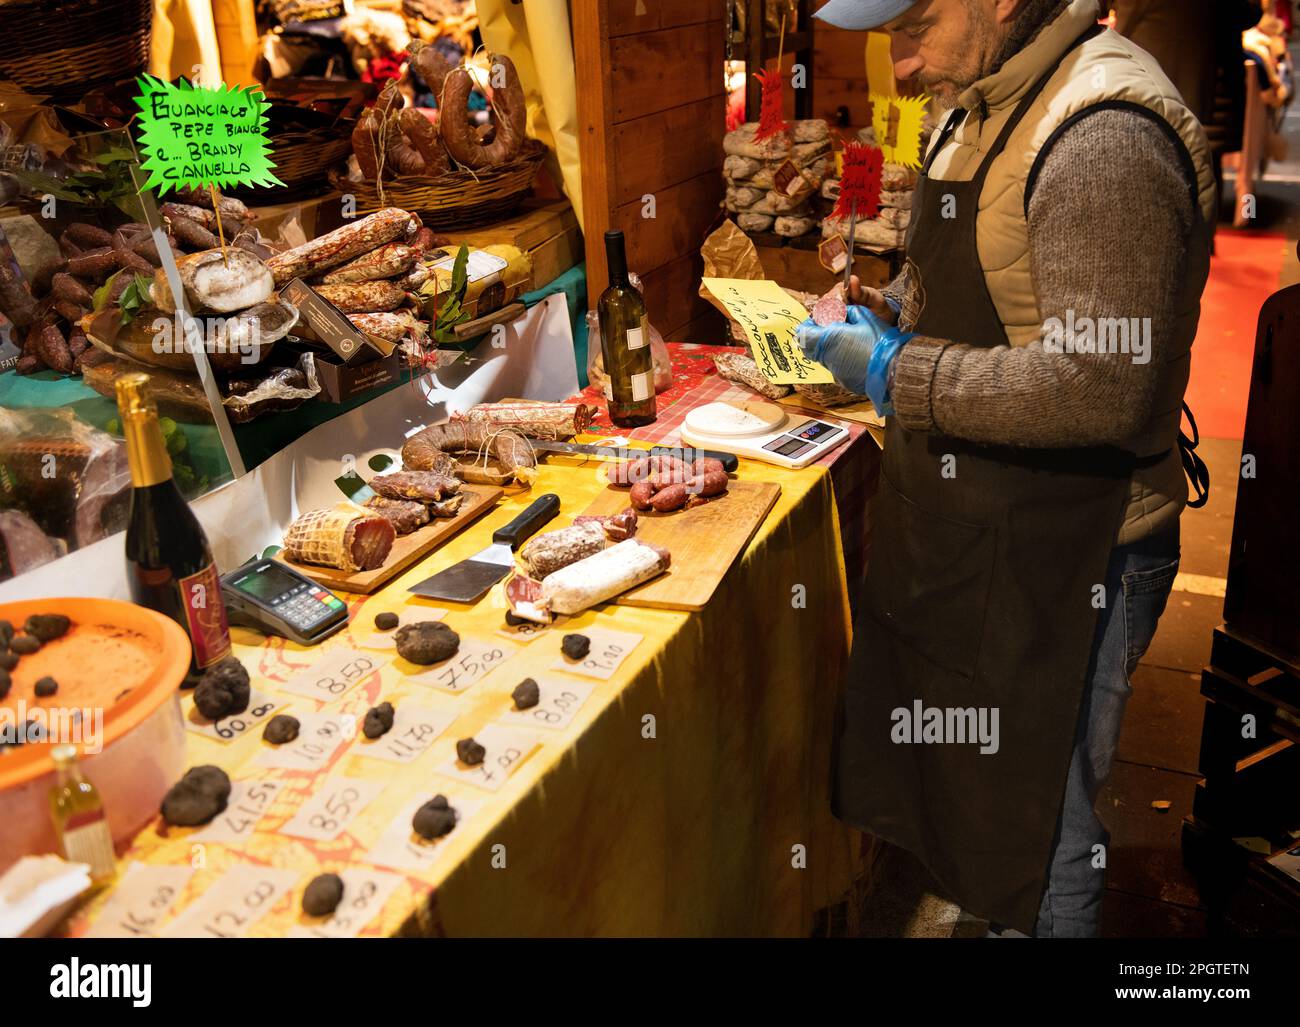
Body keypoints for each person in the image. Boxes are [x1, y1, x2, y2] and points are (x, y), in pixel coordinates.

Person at [801, 0, 1215, 938]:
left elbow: (1101, 382)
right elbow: (964, 279)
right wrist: (882, 305)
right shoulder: (975, 103)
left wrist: (897, 369)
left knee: (1043, 827)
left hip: (1078, 555)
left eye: (914, 26)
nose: (901, 67)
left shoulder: (1102, 131)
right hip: (988, 531)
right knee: (986, 798)